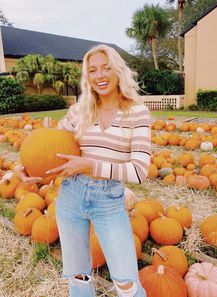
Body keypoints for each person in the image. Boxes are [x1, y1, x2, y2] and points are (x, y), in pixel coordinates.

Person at [17, 44, 151, 297]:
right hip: (71, 196)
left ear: (118, 71)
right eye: (92, 70)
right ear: (87, 77)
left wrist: (90, 165)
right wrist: (22, 168)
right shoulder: (79, 111)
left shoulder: (137, 112)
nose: (99, 75)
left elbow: (140, 170)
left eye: (106, 68)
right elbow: (48, 145)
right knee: (79, 276)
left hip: (109, 200)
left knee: (127, 284)